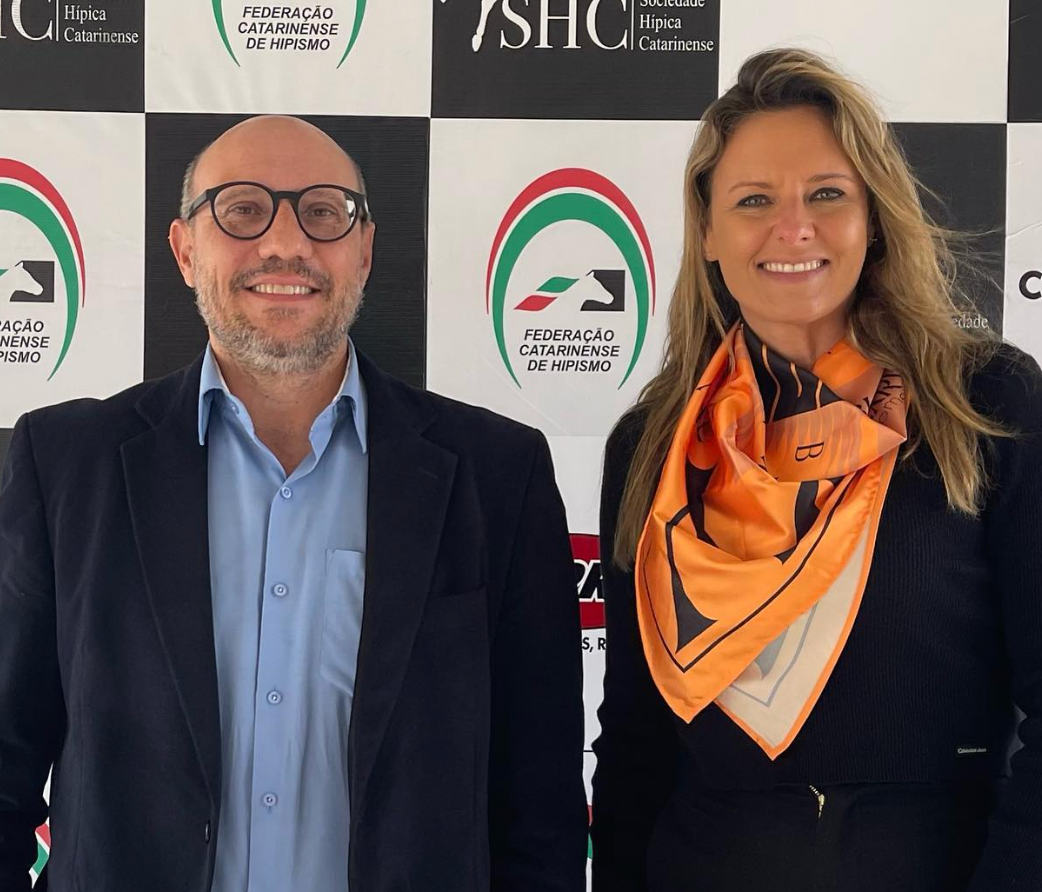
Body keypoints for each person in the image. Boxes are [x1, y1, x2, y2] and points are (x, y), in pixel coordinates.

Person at [0, 115, 588, 892]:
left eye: (323, 212)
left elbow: (541, 810)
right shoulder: (66, 464)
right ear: (184, 250)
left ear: (364, 251)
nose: (287, 242)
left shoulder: (497, 474)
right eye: (242, 209)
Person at [590, 48, 1042, 892]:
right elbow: (636, 742)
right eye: (753, 200)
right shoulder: (653, 443)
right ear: (709, 232)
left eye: (827, 194)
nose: (792, 227)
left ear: (873, 216)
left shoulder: (986, 402)